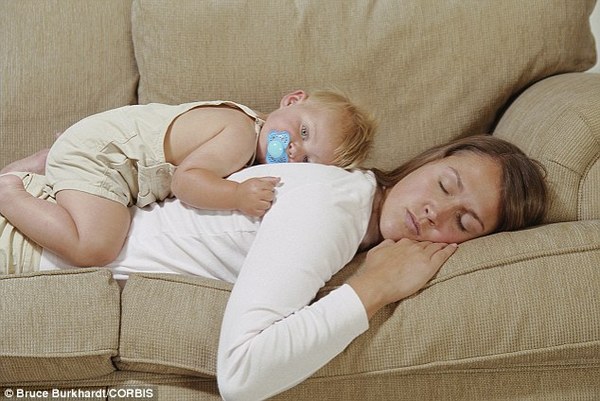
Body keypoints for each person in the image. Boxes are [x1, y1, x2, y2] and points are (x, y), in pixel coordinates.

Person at [0, 135, 547, 400]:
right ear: (429, 163)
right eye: (445, 185)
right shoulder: (333, 208)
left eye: (464, 222)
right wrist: (373, 289)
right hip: (27, 250)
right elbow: (243, 375)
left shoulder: (351, 210)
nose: (435, 213)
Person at [0, 89, 375, 268]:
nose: (293, 149)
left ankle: (46, 161)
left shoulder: (247, 138)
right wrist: (236, 195)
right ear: (292, 100)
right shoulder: (240, 134)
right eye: (304, 132)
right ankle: (10, 191)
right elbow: (187, 182)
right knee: (95, 247)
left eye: (307, 159)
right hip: (106, 157)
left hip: (102, 148)